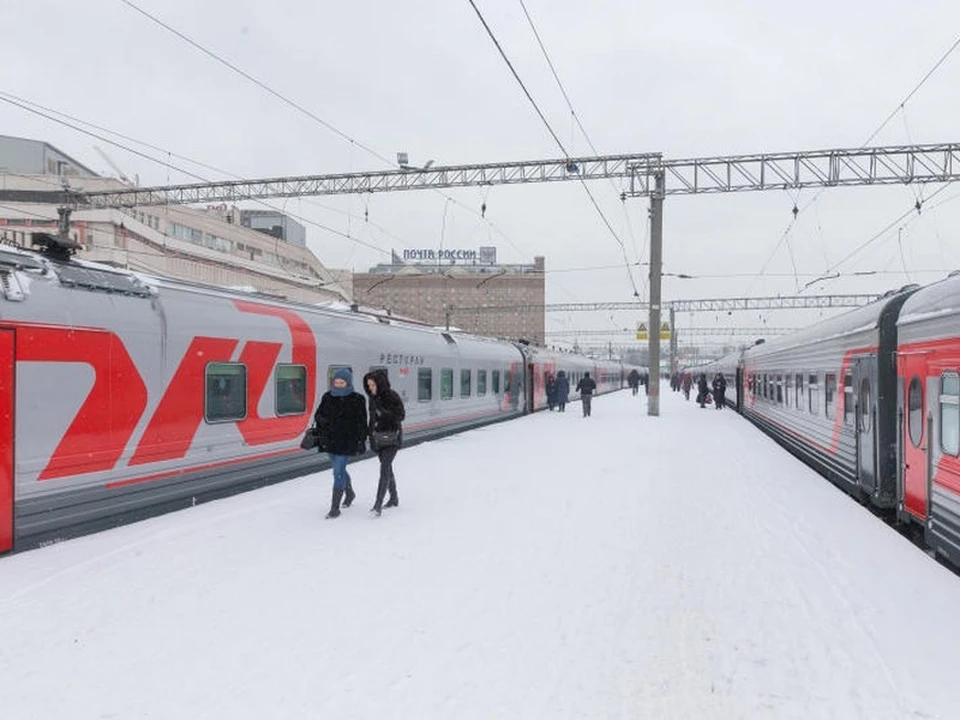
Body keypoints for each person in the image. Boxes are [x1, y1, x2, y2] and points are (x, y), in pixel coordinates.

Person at [314, 368, 367, 519]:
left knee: (337, 471)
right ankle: (350, 493)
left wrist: (361, 441)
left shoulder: (358, 399)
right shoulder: (327, 396)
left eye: (341, 382)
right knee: (340, 470)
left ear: (348, 382)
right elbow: (318, 414)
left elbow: (362, 422)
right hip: (330, 440)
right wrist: (323, 420)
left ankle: (334, 508)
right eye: (336, 382)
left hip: (347, 441)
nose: (338, 384)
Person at [363, 368, 406, 516]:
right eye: (369, 386)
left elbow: (401, 416)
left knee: (384, 468)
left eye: (373, 385)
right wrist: (370, 436)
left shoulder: (392, 396)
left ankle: (377, 504)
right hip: (378, 439)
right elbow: (372, 419)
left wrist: (384, 412)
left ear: (380, 384)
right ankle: (394, 497)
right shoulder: (372, 398)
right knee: (387, 468)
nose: (371, 388)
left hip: (392, 438)